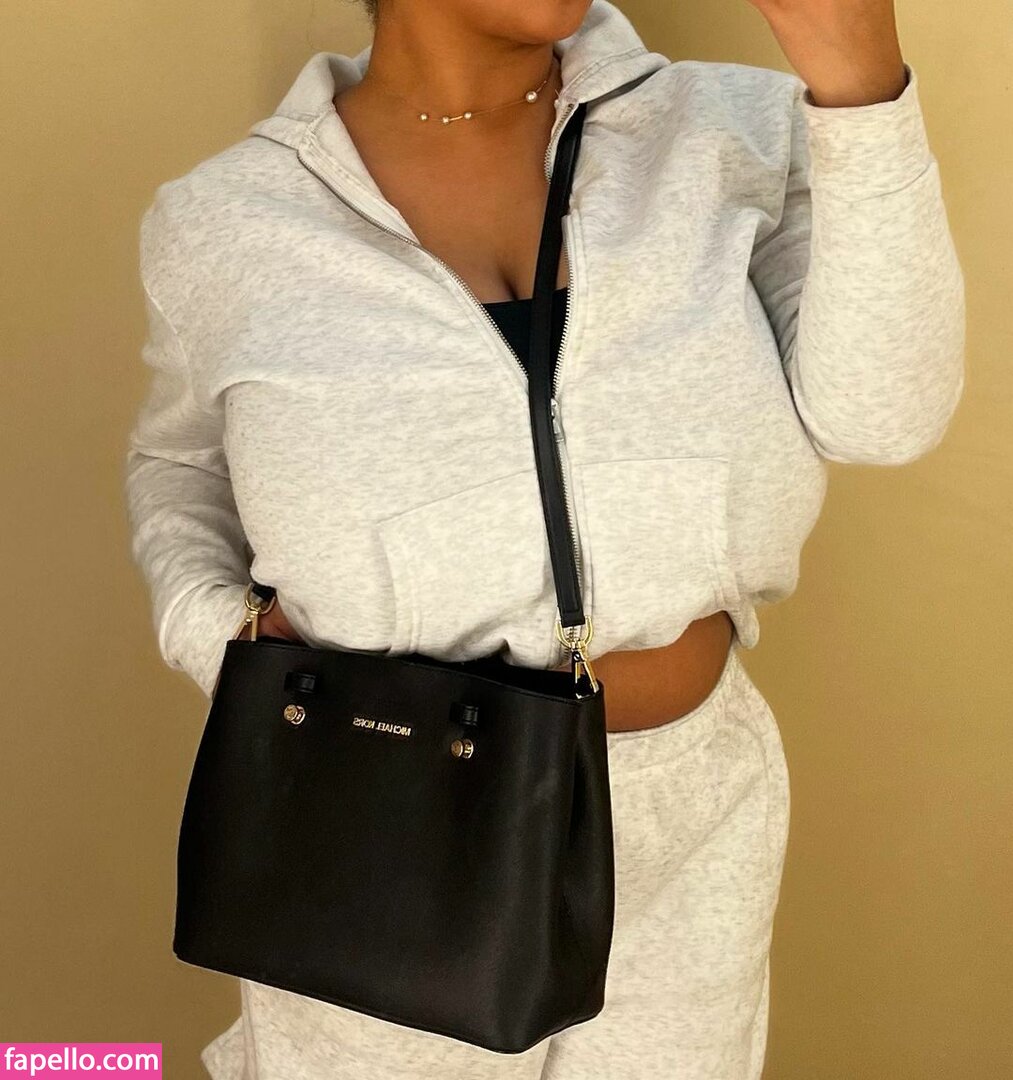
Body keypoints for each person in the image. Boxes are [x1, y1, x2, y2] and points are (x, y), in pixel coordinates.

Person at [123, 0, 965, 1076]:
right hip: (385, 804)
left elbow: (883, 418)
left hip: (689, 804)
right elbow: (180, 462)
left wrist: (860, 89)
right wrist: (216, 637)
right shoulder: (226, 218)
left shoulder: (736, 131)